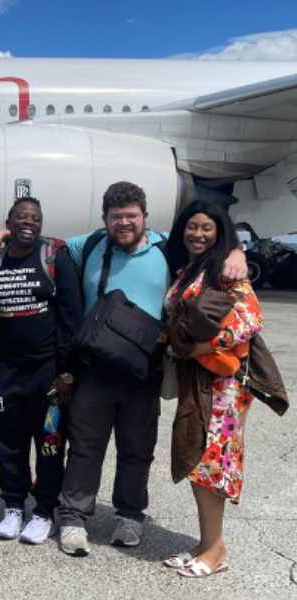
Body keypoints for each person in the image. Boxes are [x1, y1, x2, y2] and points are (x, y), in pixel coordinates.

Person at [56, 182, 248, 556]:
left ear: (145, 216)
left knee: (137, 450)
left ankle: (129, 516)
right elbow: (49, 245)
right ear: (104, 218)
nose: (124, 223)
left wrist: (238, 250)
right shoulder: (90, 245)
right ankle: (74, 518)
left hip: (145, 371)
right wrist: (1, 234)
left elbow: (208, 245)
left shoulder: (167, 248)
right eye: (116, 217)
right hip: (94, 369)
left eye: (132, 216)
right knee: (84, 448)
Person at [161, 201, 285, 578]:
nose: (198, 234)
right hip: (198, 378)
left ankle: (216, 550)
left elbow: (250, 319)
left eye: (207, 228)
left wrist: (199, 347)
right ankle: (205, 544)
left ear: (220, 233)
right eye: (192, 226)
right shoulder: (187, 269)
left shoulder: (224, 269)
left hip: (224, 384)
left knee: (211, 463)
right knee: (198, 456)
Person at [0, 197, 82, 542]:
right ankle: (13, 505)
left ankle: (44, 510)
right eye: (22, 217)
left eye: (35, 218)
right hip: (3, 371)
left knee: (50, 440)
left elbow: (70, 317)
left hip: (46, 372)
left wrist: (67, 373)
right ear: (9, 222)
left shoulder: (55, 258)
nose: (29, 222)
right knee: (5, 438)